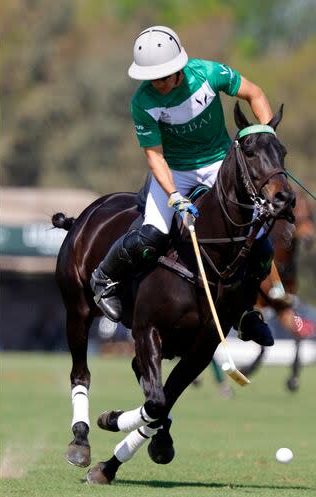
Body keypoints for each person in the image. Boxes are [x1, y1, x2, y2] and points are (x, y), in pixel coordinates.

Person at [90, 26, 274, 347]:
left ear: (178, 68)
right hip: (174, 169)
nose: (158, 83)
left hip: (220, 163)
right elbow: (155, 155)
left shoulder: (209, 74)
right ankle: (104, 277)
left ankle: (246, 312)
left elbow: (255, 94)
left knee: (260, 244)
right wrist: (174, 195)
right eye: (152, 77)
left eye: (163, 75)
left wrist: (265, 137)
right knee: (152, 236)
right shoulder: (142, 103)